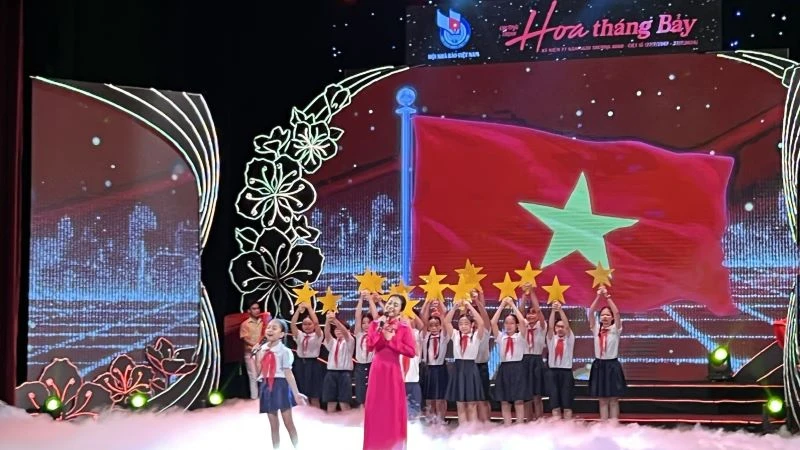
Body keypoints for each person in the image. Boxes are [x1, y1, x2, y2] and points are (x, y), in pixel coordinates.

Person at [363, 294, 417, 450]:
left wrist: (392, 340)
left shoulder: (404, 328)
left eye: (395, 304)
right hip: (377, 370)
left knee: (392, 410)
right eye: (390, 302)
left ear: (400, 310)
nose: (391, 306)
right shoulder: (375, 324)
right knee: (375, 409)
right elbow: (370, 346)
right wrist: (381, 331)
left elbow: (411, 351)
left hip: (392, 371)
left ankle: (393, 445)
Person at [253, 319, 307, 449]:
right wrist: (256, 355)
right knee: (273, 425)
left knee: (288, 422)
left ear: (282, 334)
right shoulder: (262, 349)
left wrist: (296, 393)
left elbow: (288, 373)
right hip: (266, 385)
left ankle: (297, 447)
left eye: (274, 328)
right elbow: (259, 371)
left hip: (281, 386)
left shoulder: (284, 351)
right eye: (269, 327)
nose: (270, 330)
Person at [587, 286, 627, 421]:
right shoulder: (596, 328)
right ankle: (604, 426)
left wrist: (608, 297)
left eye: (607, 315)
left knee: (613, 399)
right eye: (602, 314)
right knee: (602, 399)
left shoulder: (616, 329)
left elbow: (617, 313)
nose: (605, 317)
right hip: (599, 365)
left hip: (612, 365)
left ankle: (614, 425)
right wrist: (598, 296)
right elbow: (591, 312)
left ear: (611, 318)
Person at [444, 300, 485, 425]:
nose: (463, 326)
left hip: (470, 368)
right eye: (461, 323)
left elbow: (482, 323)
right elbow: (446, 322)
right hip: (458, 369)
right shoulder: (455, 335)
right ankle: (462, 431)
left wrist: (469, 307)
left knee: (471, 403)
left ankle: (472, 431)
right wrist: (455, 307)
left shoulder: (476, 335)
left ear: (471, 325)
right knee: (460, 403)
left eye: (466, 323)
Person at [491, 297, 529, 425]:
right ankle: (507, 425)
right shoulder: (501, 337)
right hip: (504, 369)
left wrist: (513, 305)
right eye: (506, 323)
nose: (508, 325)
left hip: (518, 368)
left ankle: (519, 426)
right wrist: (502, 305)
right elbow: (492, 323)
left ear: (516, 325)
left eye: (512, 323)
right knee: (504, 400)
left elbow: (523, 323)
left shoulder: (520, 336)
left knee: (518, 400)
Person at [420, 298, 449, 422]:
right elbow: (423, 321)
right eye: (431, 325)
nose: (433, 328)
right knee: (429, 398)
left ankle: (441, 421)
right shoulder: (425, 337)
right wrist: (427, 303)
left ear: (440, 326)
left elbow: (445, 317)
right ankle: (430, 420)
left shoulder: (444, 336)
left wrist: (440, 303)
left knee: (440, 398)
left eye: (436, 325)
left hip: (440, 369)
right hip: (428, 369)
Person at [290, 302, 324, 408]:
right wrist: (298, 310)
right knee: (302, 394)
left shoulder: (318, 335)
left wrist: (309, 308)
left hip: (313, 365)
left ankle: (317, 418)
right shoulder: (300, 335)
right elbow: (292, 324)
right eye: (305, 324)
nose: (307, 326)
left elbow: (317, 323)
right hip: (300, 365)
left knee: (314, 394)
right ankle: (304, 417)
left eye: (310, 324)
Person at [521, 283, 547, 420]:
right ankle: (528, 422)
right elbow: (520, 311)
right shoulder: (522, 326)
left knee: (537, 395)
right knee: (526, 396)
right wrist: (524, 296)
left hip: (536, 361)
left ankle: (539, 422)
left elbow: (538, 311)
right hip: (524, 361)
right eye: (528, 313)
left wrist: (532, 293)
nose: (531, 316)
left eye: (533, 313)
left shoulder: (542, 326)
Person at [545, 302, 575, 419]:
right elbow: (550, 326)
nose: (560, 329)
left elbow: (567, 327)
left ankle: (567, 428)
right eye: (558, 326)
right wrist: (553, 311)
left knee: (567, 404)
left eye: (562, 327)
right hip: (552, 373)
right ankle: (557, 429)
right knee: (554, 403)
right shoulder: (552, 339)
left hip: (566, 373)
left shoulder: (569, 338)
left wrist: (561, 310)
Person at [322, 311, 355, 412]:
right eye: (336, 329)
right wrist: (328, 320)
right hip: (331, 373)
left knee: (344, 402)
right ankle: (330, 424)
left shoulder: (350, 341)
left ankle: (346, 424)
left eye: (340, 329)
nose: (338, 331)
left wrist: (335, 320)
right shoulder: (333, 342)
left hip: (344, 374)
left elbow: (345, 332)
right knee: (330, 401)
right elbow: (327, 334)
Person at [471, 290, 493, 422]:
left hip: (481, 367)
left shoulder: (484, 330)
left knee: (483, 398)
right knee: (472, 399)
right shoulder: (466, 333)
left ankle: (486, 423)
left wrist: (478, 300)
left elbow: (484, 315)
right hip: (470, 368)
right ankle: (474, 425)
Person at [240, 300, 266, 399]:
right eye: (254, 309)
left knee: (263, 375)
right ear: (249, 311)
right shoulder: (245, 324)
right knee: (253, 376)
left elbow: (264, 336)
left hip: (261, 352)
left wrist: (260, 345)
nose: (256, 310)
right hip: (250, 353)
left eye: (258, 308)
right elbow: (245, 338)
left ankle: (263, 397)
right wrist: (255, 346)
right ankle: (254, 399)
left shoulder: (263, 322)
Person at [353, 291, 374, 408]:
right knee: (361, 395)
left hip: (372, 365)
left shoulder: (375, 334)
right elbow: (357, 316)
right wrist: (361, 298)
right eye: (364, 323)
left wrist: (370, 300)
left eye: (368, 323)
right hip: (360, 366)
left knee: (373, 393)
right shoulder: (359, 334)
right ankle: (361, 419)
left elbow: (376, 317)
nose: (366, 325)